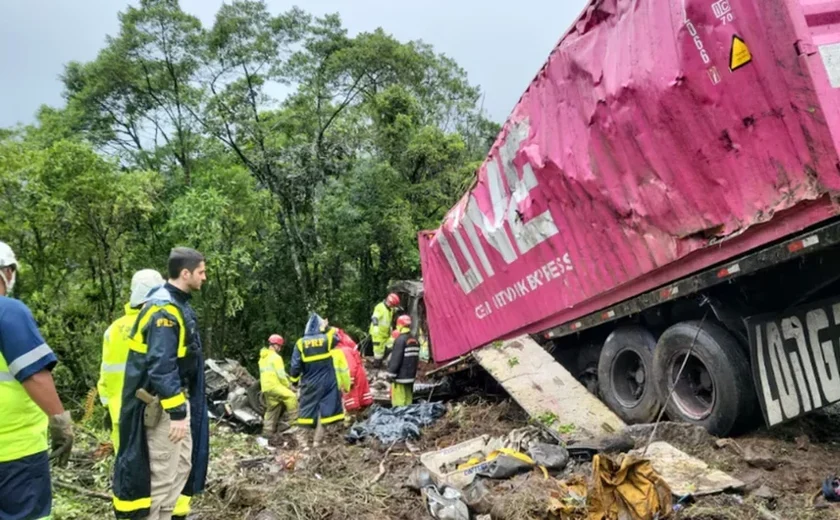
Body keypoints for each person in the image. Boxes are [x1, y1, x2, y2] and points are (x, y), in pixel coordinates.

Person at [112, 247, 210, 520]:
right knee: (161, 476)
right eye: (201, 272)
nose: (204, 277)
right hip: (165, 410)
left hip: (177, 403)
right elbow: (161, 365)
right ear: (185, 273)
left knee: (181, 467)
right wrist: (178, 412)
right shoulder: (164, 311)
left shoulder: (177, 304)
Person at [0, 241, 74, 520]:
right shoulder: (8, 311)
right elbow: (34, 374)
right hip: (14, 453)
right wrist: (61, 423)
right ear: (6, 271)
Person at [98, 269, 165, 452]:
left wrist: (108, 403)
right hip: (151, 412)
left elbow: (104, 375)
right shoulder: (159, 323)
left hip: (119, 411)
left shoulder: (113, 329)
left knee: (125, 468)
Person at [289, 313, 346, 448]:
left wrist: (294, 381)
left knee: (306, 410)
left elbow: (295, 365)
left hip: (310, 382)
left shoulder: (301, 343)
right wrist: (327, 328)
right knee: (325, 411)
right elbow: (338, 337)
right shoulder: (326, 339)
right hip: (328, 382)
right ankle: (317, 441)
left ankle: (303, 443)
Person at [259, 334, 299, 436]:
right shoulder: (276, 358)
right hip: (274, 386)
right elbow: (281, 376)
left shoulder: (262, 358)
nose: (280, 348)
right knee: (292, 397)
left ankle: (266, 433)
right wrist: (289, 386)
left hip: (266, 388)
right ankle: (295, 425)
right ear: (275, 345)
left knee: (272, 408)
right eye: (280, 346)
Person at [334, 328, 373, 417]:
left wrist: (349, 379)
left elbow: (350, 366)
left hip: (353, 376)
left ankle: (354, 419)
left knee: (353, 401)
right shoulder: (346, 348)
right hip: (357, 374)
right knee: (362, 400)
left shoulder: (342, 350)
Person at [386, 315, 420, 407]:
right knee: (409, 402)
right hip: (410, 377)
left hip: (400, 378)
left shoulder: (400, 340)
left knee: (399, 403)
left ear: (400, 325)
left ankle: (400, 419)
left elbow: (396, 359)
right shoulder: (415, 339)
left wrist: (390, 374)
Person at [369, 293, 400, 367]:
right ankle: (377, 365)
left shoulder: (390, 309)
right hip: (378, 334)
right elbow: (374, 317)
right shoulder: (380, 307)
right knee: (378, 354)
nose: (393, 307)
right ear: (389, 302)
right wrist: (376, 326)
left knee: (390, 345)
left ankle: (382, 361)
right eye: (392, 305)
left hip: (385, 334)